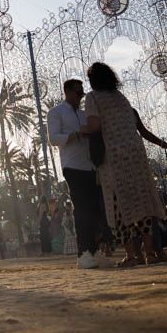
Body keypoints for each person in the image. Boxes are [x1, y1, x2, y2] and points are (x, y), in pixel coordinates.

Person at [82, 62, 167, 267]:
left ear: (92, 81)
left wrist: (80, 130)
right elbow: (142, 131)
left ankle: (131, 255)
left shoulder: (92, 98)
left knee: (118, 206)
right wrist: (166, 146)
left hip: (114, 158)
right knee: (141, 203)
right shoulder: (122, 99)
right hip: (136, 157)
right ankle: (150, 253)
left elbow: (94, 125)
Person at [48, 78, 107, 270]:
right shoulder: (56, 112)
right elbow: (53, 138)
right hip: (72, 165)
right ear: (67, 92)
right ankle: (83, 253)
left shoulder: (84, 114)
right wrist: (75, 135)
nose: (80, 96)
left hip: (91, 166)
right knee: (82, 208)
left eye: (82, 93)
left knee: (95, 209)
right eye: (77, 93)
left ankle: (95, 250)